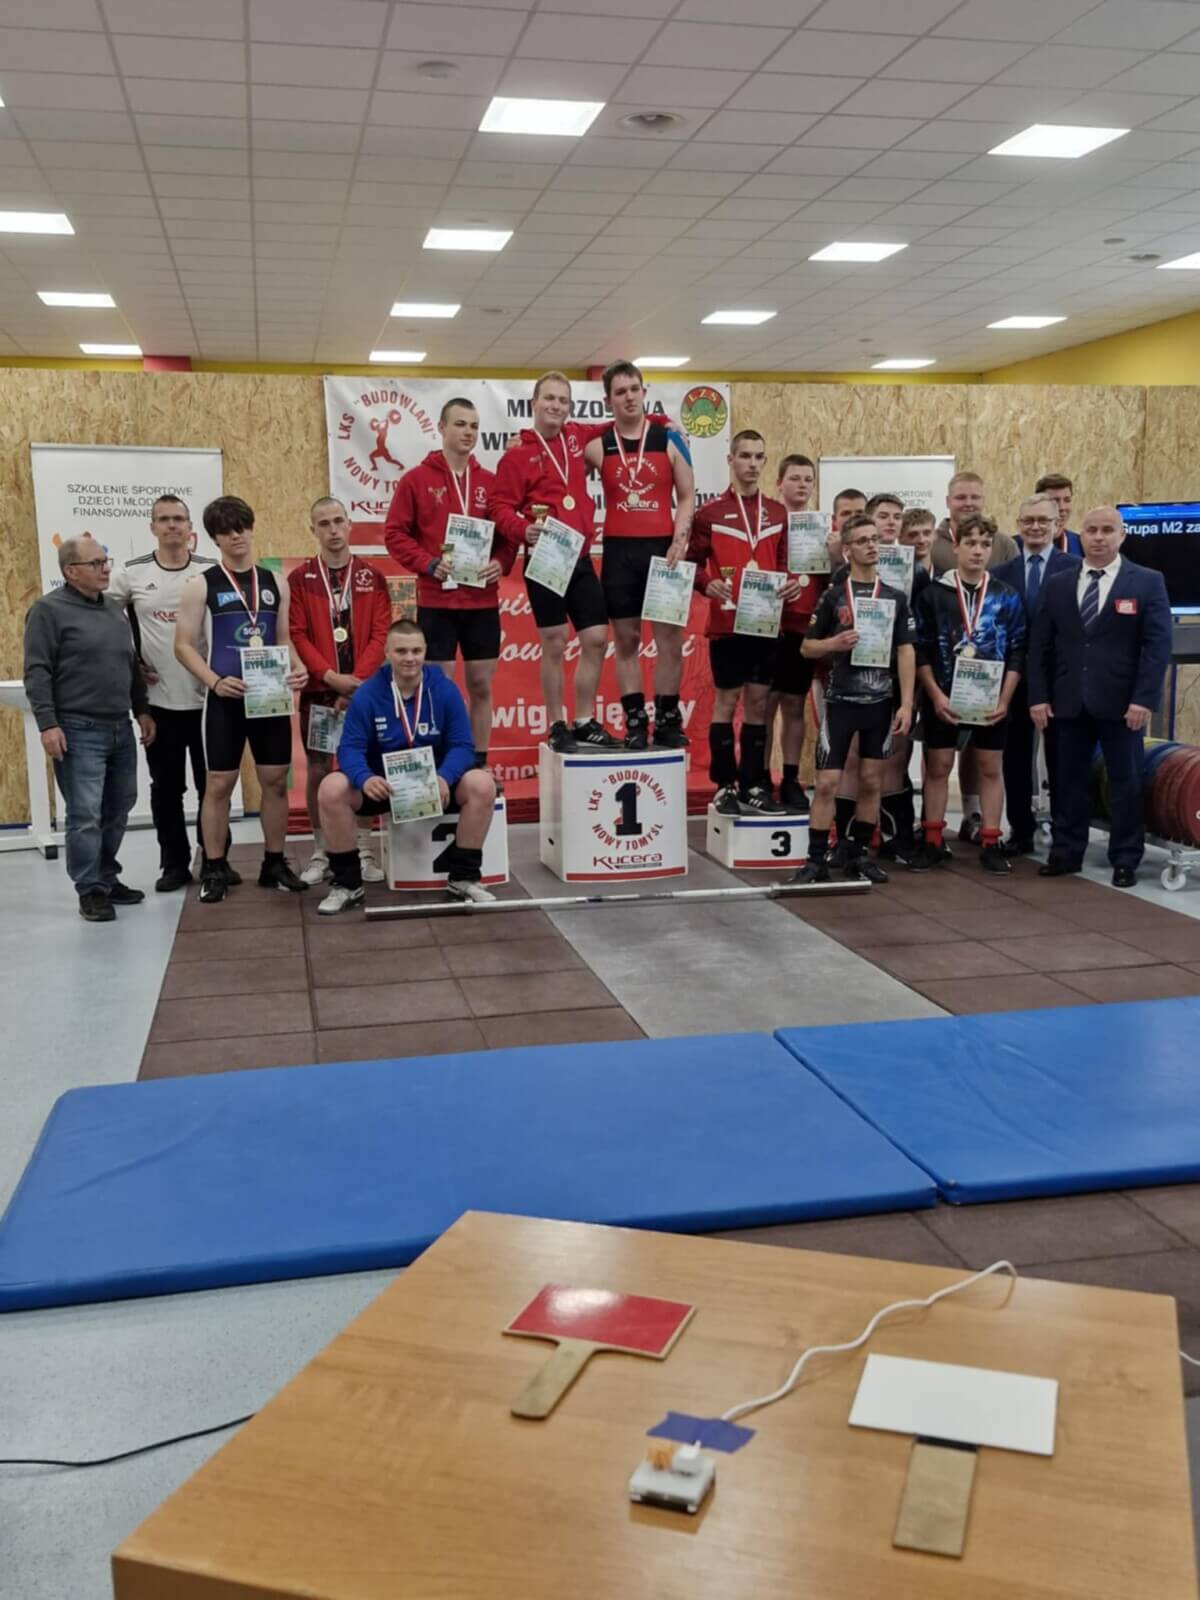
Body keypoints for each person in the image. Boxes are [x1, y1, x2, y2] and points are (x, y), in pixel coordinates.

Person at [174, 495, 309, 903]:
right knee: (219, 784)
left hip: (269, 696)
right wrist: (215, 682)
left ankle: (274, 863)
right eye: (227, 531)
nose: (237, 537)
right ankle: (215, 866)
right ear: (214, 538)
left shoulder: (275, 582)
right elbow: (183, 646)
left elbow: (282, 638)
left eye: (242, 528)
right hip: (226, 699)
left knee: (275, 781)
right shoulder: (201, 585)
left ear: (251, 529)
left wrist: (298, 667)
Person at [1028, 505, 1171, 887]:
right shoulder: (1058, 582)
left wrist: (1144, 699)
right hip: (1067, 701)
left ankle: (1125, 858)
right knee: (1067, 782)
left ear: (1122, 535)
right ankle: (1066, 852)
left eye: (1108, 530)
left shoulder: (1147, 582)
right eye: (1091, 530)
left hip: (1123, 705)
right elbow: (1040, 645)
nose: (1098, 537)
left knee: (1125, 783)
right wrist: (1038, 697)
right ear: (1081, 535)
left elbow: (1157, 648)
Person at [316, 618, 497, 912]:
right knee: (331, 788)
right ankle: (347, 885)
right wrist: (364, 778)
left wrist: (444, 777)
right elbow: (349, 748)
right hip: (383, 787)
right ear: (387, 652)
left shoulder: (444, 689)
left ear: (425, 651)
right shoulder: (368, 694)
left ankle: (463, 879)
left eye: (416, 651)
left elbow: (463, 746)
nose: (409, 658)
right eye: (401, 651)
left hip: (434, 784)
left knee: (482, 784)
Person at [23, 534, 155, 921]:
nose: (105, 569)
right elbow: (37, 671)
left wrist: (142, 710)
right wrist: (48, 724)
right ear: (71, 571)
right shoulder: (47, 611)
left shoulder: (114, 608)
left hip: (119, 727)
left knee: (120, 806)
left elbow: (129, 663)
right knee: (84, 815)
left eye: (105, 561)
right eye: (96, 563)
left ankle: (106, 875)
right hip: (77, 728)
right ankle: (90, 889)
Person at [383, 396, 514, 771]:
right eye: (460, 424)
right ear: (441, 428)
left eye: (474, 426)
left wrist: (500, 563)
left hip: (481, 603)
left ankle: (479, 764)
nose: (468, 432)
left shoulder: (491, 483)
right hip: (437, 601)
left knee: (481, 685)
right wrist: (429, 564)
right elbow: (395, 534)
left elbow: (508, 537)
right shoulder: (416, 480)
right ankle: (441, 768)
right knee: (436, 689)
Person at [493, 371, 617, 753]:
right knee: (555, 641)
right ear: (534, 403)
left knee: (596, 638)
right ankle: (556, 724)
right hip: (546, 555)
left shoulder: (576, 437)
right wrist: (522, 529)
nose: (556, 406)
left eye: (563, 400)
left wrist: (661, 421)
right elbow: (499, 506)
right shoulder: (517, 454)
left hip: (579, 555)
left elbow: (614, 422)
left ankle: (584, 720)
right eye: (549, 398)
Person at [791, 514, 915, 885]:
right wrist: (833, 643)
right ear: (847, 550)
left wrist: (907, 703)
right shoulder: (833, 596)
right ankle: (815, 860)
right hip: (841, 703)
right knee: (827, 783)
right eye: (862, 540)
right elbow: (806, 648)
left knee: (872, 782)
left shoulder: (894, 597)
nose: (871, 545)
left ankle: (858, 855)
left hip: (880, 704)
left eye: (874, 539)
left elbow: (906, 650)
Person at [688, 429, 802, 816]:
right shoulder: (710, 513)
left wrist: (790, 582)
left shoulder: (779, 513)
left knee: (758, 704)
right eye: (745, 456)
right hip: (726, 621)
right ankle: (724, 785)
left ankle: (754, 784)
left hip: (766, 622)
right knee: (725, 702)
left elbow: (786, 563)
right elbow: (691, 564)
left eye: (758, 457)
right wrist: (708, 583)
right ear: (731, 460)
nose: (752, 464)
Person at [584, 360, 696, 750]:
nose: (629, 397)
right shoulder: (598, 444)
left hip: (663, 550)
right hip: (618, 553)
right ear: (608, 401)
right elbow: (559, 468)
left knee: (669, 641)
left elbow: (687, 495)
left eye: (635, 389)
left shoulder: (669, 438)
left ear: (644, 392)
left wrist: (680, 540)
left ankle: (667, 720)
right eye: (620, 392)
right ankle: (635, 721)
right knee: (627, 640)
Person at [108, 495, 215, 892]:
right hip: (159, 703)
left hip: (210, 700)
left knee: (213, 786)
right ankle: (173, 864)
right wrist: (129, 662)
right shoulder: (131, 573)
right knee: (167, 789)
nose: (172, 526)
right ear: (152, 527)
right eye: (164, 519)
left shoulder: (211, 570)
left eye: (179, 519)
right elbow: (101, 619)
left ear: (190, 528)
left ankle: (215, 860)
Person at [912, 515, 1026, 875]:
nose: (978, 551)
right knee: (938, 766)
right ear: (956, 546)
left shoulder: (1006, 595)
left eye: (985, 545)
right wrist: (934, 695)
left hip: (990, 698)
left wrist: (1005, 699)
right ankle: (933, 840)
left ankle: (991, 842)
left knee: (990, 767)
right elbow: (921, 649)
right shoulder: (934, 595)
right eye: (971, 543)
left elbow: (1018, 651)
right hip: (944, 696)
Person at [288, 495, 392, 886]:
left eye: (337, 521)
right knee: (318, 768)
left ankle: (362, 848)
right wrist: (330, 677)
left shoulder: (371, 576)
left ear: (349, 524)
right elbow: (297, 633)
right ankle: (323, 850)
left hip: (365, 692)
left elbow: (381, 633)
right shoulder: (300, 579)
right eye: (323, 524)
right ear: (312, 530)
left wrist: (357, 682)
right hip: (320, 691)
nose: (332, 530)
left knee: (364, 765)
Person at [992, 495, 1080, 855]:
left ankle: (1064, 832)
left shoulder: (1076, 568)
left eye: (1044, 520)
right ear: (1018, 525)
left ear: (1058, 525)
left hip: (1060, 679)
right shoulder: (1001, 574)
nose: (1036, 527)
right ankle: (1021, 830)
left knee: (1062, 758)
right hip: (1013, 679)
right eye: (1028, 520)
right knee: (1015, 757)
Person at [876, 508, 937, 862]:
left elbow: (923, 632)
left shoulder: (917, 572)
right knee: (861, 758)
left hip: (903, 673)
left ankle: (897, 835)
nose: (890, 522)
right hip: (861, 674)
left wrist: (912, 693)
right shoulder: (848, 570)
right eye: (882, 516)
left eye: (896, 517)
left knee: (898, 754)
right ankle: (863, 833)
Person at [769, 452, 822, 811]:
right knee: (763, 705)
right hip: (768, 626)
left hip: (804, 629)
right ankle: (759, 777)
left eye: (808, 479)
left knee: (793, 705)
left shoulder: (822, 528)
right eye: (795, 478)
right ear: (779, 483)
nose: (802, 485)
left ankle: (790, 779)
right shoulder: (769, 521)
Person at [930, 471, 1017, 574]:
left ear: (983, 501)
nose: (968, 503)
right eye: (961, 498)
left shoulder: (1005, 545)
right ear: (948, 501)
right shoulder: (930, 543)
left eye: (975, 497)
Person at [1034, 472, 1083, 557]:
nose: (1062, 507)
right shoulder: (1016, 546)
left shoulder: (1081, 544)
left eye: (1067, 500)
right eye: (1055, 500)